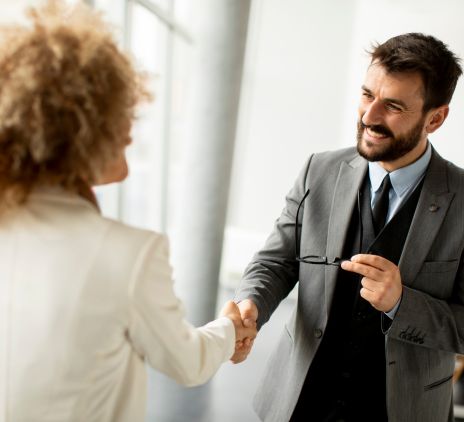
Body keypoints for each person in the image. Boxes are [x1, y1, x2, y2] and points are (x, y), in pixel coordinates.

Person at [0, 1, 256, 421]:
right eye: (122, 120)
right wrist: (231, 330)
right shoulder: (129, 254)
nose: (130, 136)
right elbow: (187, 362)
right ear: (83, 131)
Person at [233, 32, 464, 422]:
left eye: (392, 105)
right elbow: (276, 262)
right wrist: (250, 304)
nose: (369, 116)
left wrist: (401, 304)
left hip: (400, 410)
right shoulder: (317, 170)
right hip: (299, 401)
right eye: (366, 95)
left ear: (435, 118)